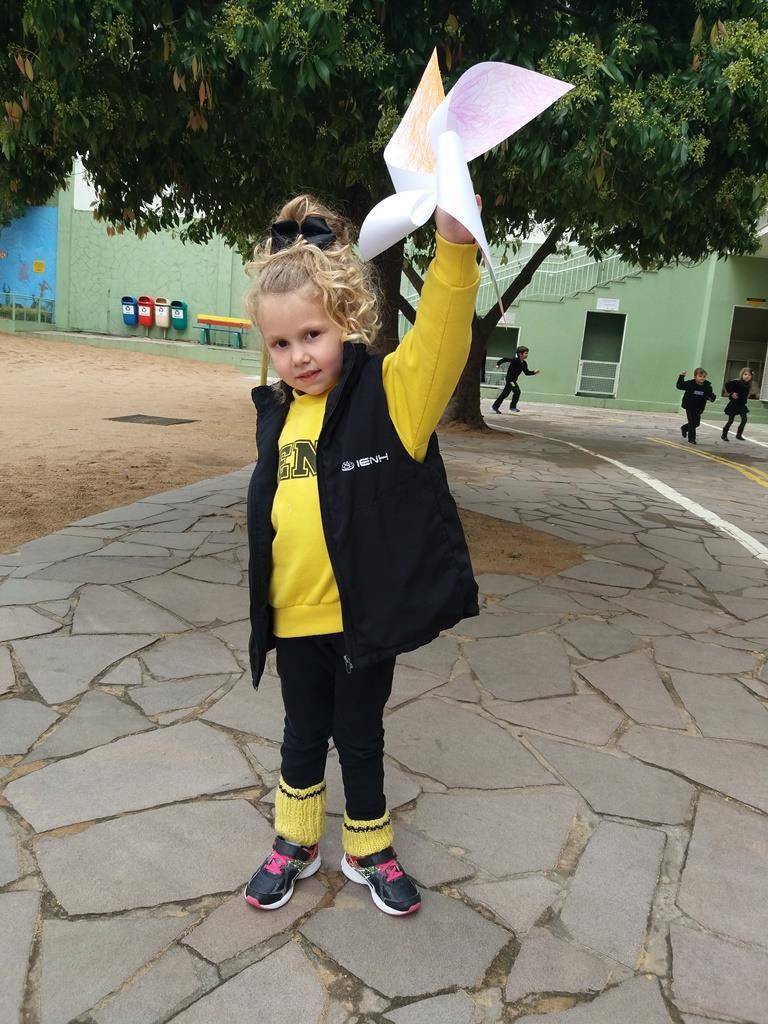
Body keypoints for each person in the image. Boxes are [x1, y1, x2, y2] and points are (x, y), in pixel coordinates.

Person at [242, 194, 480, 917]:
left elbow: (440, 337)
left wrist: (455, 248)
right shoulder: (279, 415)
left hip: (360, 622)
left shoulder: (392, 396)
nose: (297, 356)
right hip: (293, 619)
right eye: (280, 343)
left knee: (359, 736)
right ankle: (295, 841)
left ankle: (368, 847)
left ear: (347, 318)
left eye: (312, 334)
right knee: (301, 734)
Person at [491, 345, 540, 413]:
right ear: (520, 354)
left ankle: (495, 407)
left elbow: (527, 372)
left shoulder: (524, 363)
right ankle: (512, 407)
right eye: (526, 353)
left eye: (527, 353)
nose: (527, 355)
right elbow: (505, 359)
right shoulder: (515, 360)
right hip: (510, 380)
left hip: (513, 380)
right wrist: (498, 364)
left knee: (504, 394)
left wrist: (534, 372)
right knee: (517, 392)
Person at [676, 368, 715, 445]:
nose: (702, 378)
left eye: (704, 376)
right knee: (691, 422)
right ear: (695, 377)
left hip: (699, 407)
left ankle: (684, 428)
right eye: (700, 376)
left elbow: (710, 395)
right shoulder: (690, 384)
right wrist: (681, 376)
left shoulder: (707, 386)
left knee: (696, 424)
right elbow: (679, 386)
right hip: (689, 406)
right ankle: (691, 439)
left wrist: (711, 398)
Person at [721, 367, 754, 442]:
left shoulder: (748, 385)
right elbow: (727, 384)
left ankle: (739, 434)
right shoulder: (737, 382)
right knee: (731, 420)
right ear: (742, 375)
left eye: (749, 375)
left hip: (742, 405)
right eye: (745, 374)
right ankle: (724, 434)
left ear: (751, 377)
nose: (747, 376)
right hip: (734, 404)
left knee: (744, 419)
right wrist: (732, 393)